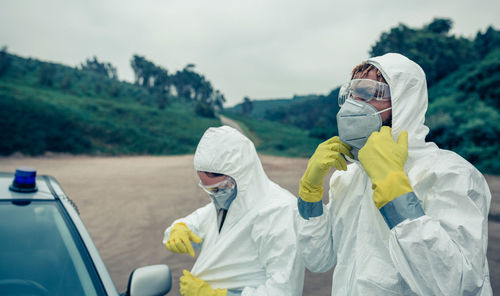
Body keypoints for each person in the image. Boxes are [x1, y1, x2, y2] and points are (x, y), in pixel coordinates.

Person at [296, 53, 492, 295]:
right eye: (351, 94)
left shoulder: (449, 174)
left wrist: (395, 192)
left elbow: (458, 286)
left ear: (403, 102)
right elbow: (318, 260)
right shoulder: (347, 178)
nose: (352, 104)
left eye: (368, 94)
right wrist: (310, 193)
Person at [163, 126, 305, 296]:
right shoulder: (230, 204)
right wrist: (180, 228)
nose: (215, 196)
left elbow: (284, 290)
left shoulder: (279, 211)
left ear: (242, 175)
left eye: (219, 188)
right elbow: (197, 222)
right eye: (209, 190)